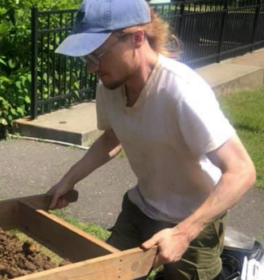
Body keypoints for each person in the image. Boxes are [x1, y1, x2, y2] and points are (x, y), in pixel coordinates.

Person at [47, 0, 257, 279]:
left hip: (193, 221)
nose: (90, 68)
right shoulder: (109, 87)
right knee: (104, 275)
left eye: (98, 54)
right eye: (87, 57)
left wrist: (183, 233)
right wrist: (68, 180)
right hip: (140, 209)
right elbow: (112, 138)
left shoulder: (181, 91)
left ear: (136, 38)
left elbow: (242, 171)